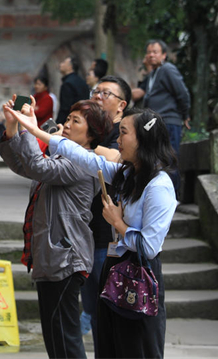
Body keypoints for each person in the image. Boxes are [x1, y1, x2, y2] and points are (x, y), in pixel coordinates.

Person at [6, 105, 177, 359]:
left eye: (124, 133)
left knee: (138, 348)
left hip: (142, 273)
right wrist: (33, 130)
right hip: (116, 267)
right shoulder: (127, 174)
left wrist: (118, 223)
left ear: (143, 139)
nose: (117, 140)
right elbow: (85, 158)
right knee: (110, 345)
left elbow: (149, 247)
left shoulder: (159, 186)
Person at [0, 96, 111, 358]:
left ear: (92, 133)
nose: (67, 124)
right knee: (55, 338)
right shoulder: (62, 156)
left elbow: (37, 165)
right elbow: (24, 165)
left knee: (65, 340)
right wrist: (13, 127)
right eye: (68, 118)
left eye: (76, 121)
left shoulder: (83, 161)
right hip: (53, 257)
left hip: (65, 258)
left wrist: (30, 126)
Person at [79, 75, 131, 342]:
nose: (97, 96)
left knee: (105, 311)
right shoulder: (94, 130)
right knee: (92, 306)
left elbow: (117, 158)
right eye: (95, 91)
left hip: (107, 235)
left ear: (121, 105)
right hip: (85, 232)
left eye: (105, 94)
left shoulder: (124, 131)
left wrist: (82, 144)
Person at [132, 40, 190, 153]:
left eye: (155, 52)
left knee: (168, 160)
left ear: (164, 55)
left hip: (167, 121)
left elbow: (182, 93)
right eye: (149, 52)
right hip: (155, 122)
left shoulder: (168, 69)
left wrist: (185, 115)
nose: (151, 55)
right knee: (156, 160)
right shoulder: (154, 73)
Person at [57, 55, 90, 125]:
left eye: (63, 62)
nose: (60, 64)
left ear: (70, 67)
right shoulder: (81, 81)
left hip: (70, 122)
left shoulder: (68, 83)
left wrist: (58, 123)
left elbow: (65, 108)